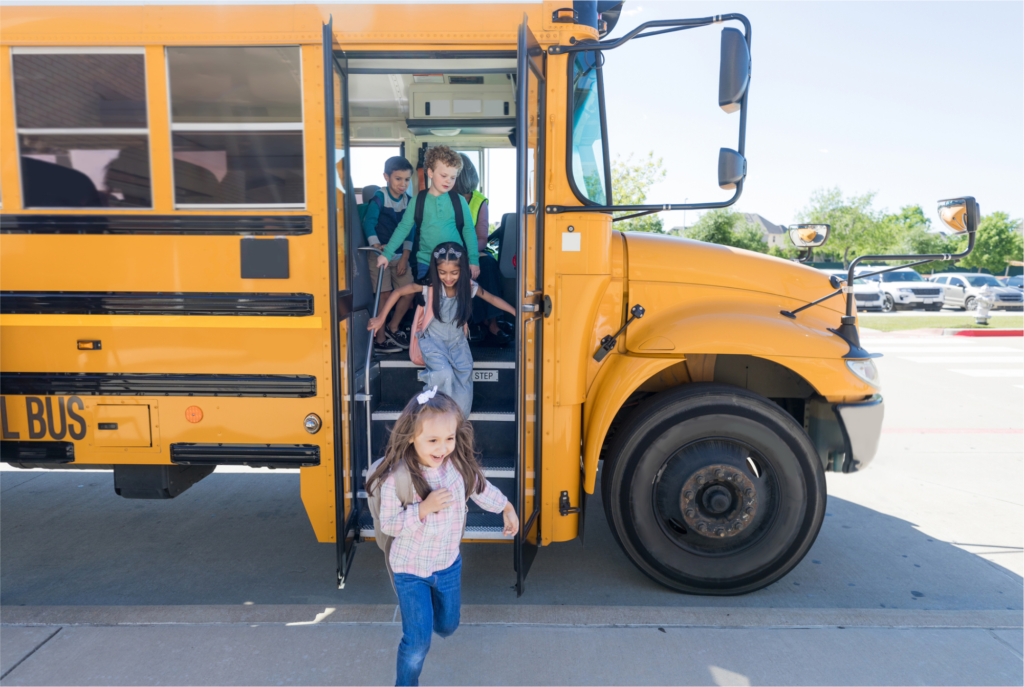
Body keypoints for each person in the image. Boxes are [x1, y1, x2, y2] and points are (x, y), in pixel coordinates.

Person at [365, 388, 519, 687]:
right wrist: (423, 509)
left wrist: (507, 507)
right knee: (417, 643)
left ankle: (428, 618)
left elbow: (481, 489)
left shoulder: (457, 468)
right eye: (432, 440)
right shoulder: (396, 477)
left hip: (447, 565)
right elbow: (390, 525)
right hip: (410, 571)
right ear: (411, 437)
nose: (442, 447)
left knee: (448, 625)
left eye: (449, 438)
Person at [367, 242, 515, 417]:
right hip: (433, 341)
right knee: (443, 373)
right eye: (442, 272)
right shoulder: (429, 287)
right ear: (435, 270)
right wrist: (381, 318)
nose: (448, 278)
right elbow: (398, 292)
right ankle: (436, 414)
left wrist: (515, 312)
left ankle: (458, 421)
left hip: (457, 343)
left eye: (454, 272)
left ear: (463, 270)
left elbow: (491, 298)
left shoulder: (467, 286)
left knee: (463, 377)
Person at [376, 145, 480, 283]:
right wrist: (387, 254)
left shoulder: (459, 201)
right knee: (427, 302)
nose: (448, 181)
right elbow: (403, 228)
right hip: (426, 262)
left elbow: (469, 230)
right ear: (430, 173)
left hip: (455, 262)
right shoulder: (417, 201)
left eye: (453, 177)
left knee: (454, 303)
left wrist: (473, 260)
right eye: (444, 176)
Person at [452, 153, 509, 345]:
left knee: (489, 265)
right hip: (449, 250)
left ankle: (492, 323)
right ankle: (471, 323)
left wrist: (469, 256)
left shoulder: (480, 200)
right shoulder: (442, 198)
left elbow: (482, 238)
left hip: (473, 249)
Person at [363, 157, 416, 353]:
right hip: (379, 255)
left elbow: (410, 230)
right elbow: (369, 222)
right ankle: (380, 338)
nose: (403, 184)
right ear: (386, 177)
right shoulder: (379, 197)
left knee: (410, 292)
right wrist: (376, 245)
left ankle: (394, 327)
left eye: (407, 180)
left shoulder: (409, 201)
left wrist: (405, 257)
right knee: (383, 295)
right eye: (398, 179)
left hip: (400, 256)